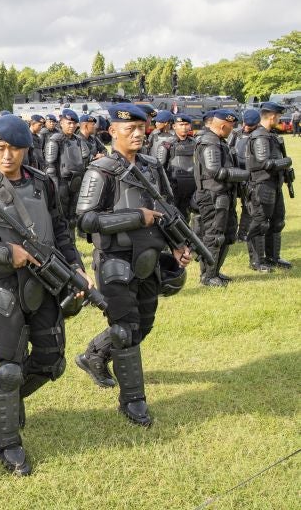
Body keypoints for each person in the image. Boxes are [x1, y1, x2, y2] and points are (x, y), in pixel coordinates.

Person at [0, 114, 90, 475]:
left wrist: (75, 265)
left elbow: (60, 230)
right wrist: (5, 254)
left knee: (51, 360)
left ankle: (2, 404)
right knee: (9, 368)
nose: (6, 155)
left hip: (43, 283)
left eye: (13, 149)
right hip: (0, 287)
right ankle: (8, 443)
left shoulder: (44, 184)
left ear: (26, 149)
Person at [73, 103, 191, 426]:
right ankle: (133, 401)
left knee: (143, 325)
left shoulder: (152, 167)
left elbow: (168, 210)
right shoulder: (102, 171)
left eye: (142, 128)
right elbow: (85, 220)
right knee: (125, 330)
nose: (138, 134)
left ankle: (94, 355)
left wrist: (179, 244)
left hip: (148, 261)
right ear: (113, 131)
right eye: (130, 129)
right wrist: (136, 217)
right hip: (114, 262)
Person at [192, 109, 246, 287]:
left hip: (224, 194)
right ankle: (207, 276)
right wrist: (242, 174)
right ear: (222, 126)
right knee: (214, 236)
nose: (232, 129)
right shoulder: (209, 142)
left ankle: (214, 271)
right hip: (212, 195)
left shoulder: (219, 141)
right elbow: (215, 171)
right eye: (231, 126)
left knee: (227, 234)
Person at [245, 102, 293, 271]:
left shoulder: (269, 135)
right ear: (272, 116)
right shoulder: (260, 137)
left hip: (274, 185)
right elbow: (264, 162)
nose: (279, 119)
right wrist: (284, 162)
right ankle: (257, 261)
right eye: (278, 116)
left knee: (277, 222)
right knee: (260, 223)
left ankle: (273, 257)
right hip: (261, 185)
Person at [44, 109, 89, 236]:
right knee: (60, 214)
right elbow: (50, 165)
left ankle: (71, 241)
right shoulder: (55, 139)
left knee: (73, 214)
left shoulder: (78, 140)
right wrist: (54, 186)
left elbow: (85, 159)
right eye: (69, 123)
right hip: (61, 182)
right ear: (62, 123)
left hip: (76, 181)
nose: (72, 126)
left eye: (74, 123)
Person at [158, 115, 196, 220]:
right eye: (181, 125)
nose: (184, 127)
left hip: (191, 187)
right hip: (173, 187)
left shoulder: (196, 143)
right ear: (174, 126)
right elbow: (159, 168)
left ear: (190, 126)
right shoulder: (167, 144)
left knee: (187, 216)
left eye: (186, 124)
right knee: (172, 217)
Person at [232, 109, 259, 241]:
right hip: (234, 174)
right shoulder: (236, 134)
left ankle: (242, 233)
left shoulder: (259, 135)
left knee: (248, 205)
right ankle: (230, 232)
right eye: (245, 124)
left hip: (250, 176)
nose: (246, 127)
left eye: (250, 126)